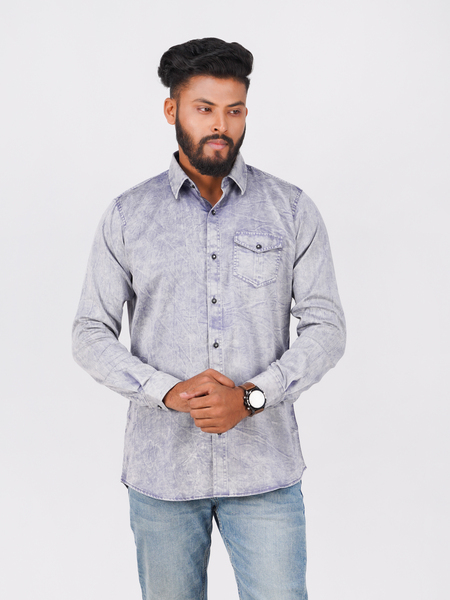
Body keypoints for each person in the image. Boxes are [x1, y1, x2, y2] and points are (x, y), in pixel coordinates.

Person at [72, 37, 346, 600]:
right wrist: (166, 392)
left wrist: (252, 397)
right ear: (172, 110)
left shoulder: (291, 209)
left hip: (265, 472)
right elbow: (89, 332)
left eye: (234, 110)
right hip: (163, 476)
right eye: (204, 109)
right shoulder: (128, 215)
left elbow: (325, 327)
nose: (221, 125)